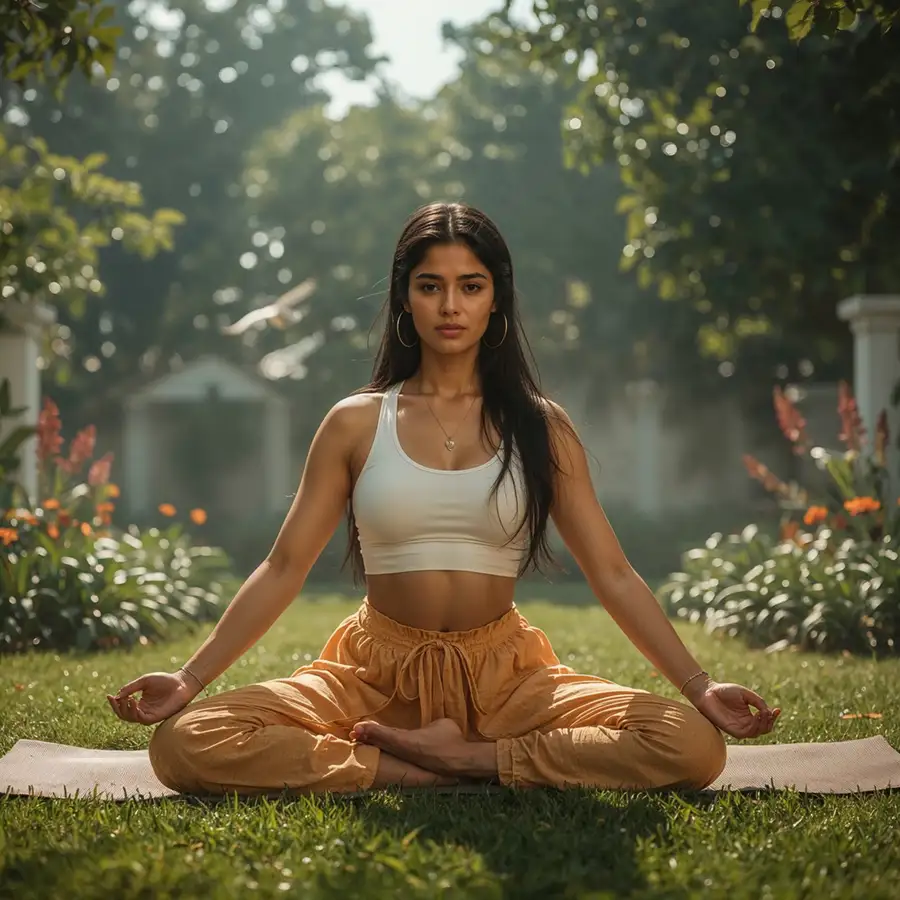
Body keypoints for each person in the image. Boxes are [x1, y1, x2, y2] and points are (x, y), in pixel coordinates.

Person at [107, 202, 781, 795]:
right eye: (430, 287)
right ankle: (412, 768)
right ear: (405, 299)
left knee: (692, 744)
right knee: (185, 742)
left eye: (470, 286)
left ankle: (476, 759)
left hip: (509, 680)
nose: (451, 306)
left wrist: (699, 687)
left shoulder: (542, 426)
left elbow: (612, 572)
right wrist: (189, 681)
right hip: (372, 677)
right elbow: (284, 568)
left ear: (497, 299)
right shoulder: (354, 422)